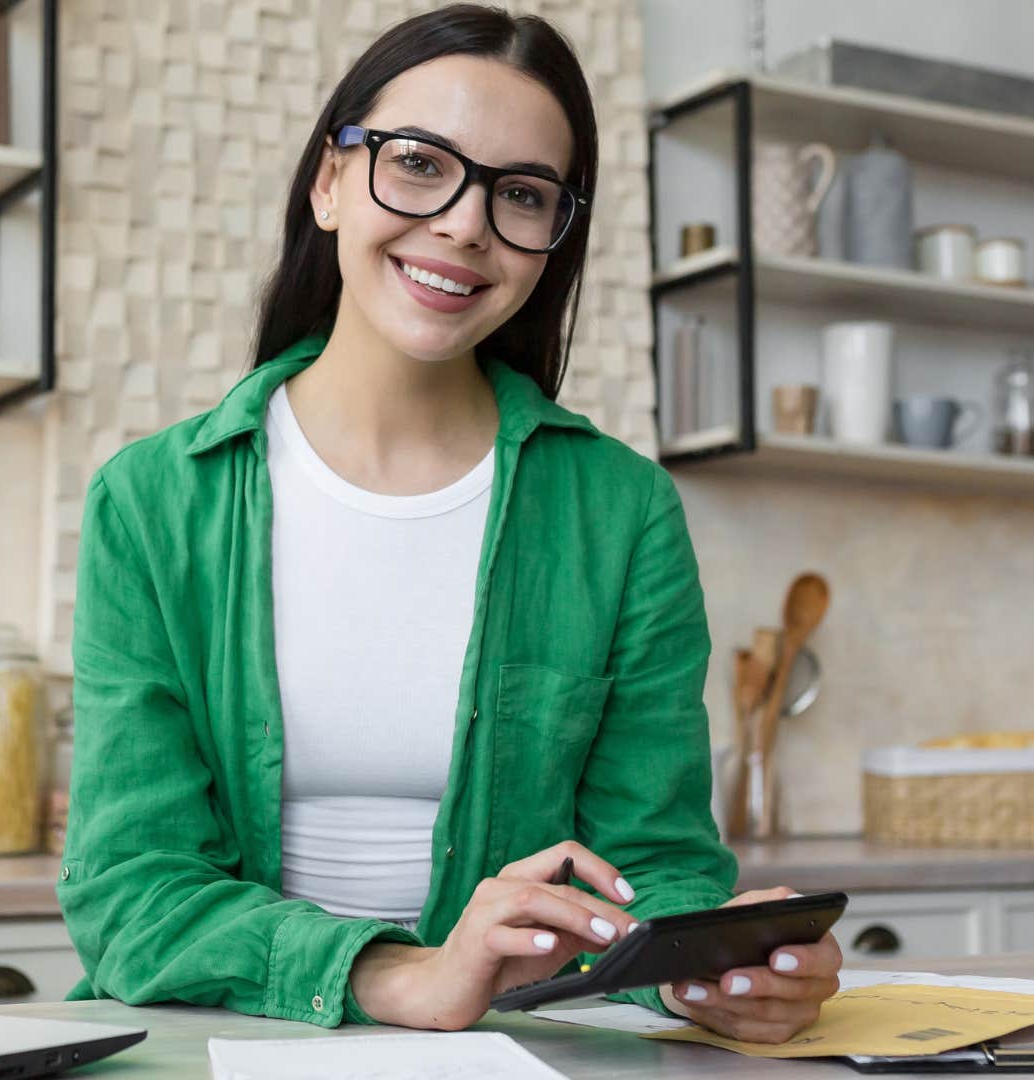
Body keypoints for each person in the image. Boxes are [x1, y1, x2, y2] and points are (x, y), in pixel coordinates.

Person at [58, 3, 841, 1040]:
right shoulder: (153, 501)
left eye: (521, 194)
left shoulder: (622, 510)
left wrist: (711, 966)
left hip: (519, 1048)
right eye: (420, 163)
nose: (466, 224)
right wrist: (401, 975)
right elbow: (130, 893)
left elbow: (649, 865)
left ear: (551, 244)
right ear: (329, 181)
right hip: (229, 1036)